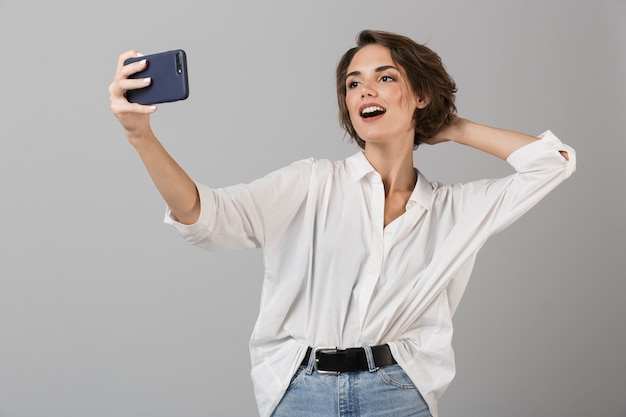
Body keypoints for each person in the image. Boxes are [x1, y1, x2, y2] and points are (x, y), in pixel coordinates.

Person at [109, 30, 576, 417]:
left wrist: (452, 125)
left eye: (385, 77)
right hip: (301, 393)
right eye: (353, 84)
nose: (365, 91)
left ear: (419, 95)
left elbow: (552, 163)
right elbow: (203, 216)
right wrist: (140, 135)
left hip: (398, 395)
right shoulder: (311, 182)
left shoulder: (455, 210)